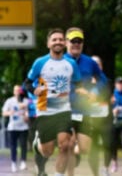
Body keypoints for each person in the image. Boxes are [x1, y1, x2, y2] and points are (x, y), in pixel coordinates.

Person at [24, 28, 83, 176]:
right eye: (54, 40)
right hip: (45, 109)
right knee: (47, 151)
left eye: (60, 39)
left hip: (64, 109)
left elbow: (78, 82)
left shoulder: (71, 64)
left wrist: (81, 90)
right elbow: (27, 83)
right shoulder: (40, 62)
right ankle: (38, 144)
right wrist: (34, 90)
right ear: (48, 44)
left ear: (64, 43)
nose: (58, 42)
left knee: (66, 145)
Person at [64, 27, 109, 176]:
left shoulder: (90, 62)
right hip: (65, 109)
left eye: (80, 41)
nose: (76, 44)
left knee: (85, 148)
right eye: (73, 41)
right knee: (68, 144)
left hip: (84, 111)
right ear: (66, 43)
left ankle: (75, 151)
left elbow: (103, 80)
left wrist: (95, 92)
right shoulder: (58, 61)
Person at [87, 55, 113, 176]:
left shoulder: (107, 81)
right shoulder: (84, 81)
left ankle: (105, 168)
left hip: (105, 118)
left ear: (101, 67)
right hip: (90, 119)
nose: (96, 67)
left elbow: (108, 97)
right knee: (93, 147)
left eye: (98, 64)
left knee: (108, 143)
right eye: (93, 64)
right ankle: (95, 173)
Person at [3, 84, 31, 173]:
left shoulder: (27, 101)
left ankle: (23, 162)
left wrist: (26, 116)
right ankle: (13, 163)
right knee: (13, 146)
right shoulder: (9, 101)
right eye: (16, 90)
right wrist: (9, 112)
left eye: (19, 90)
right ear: (13, 91)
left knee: (23, 145)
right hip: (12, 127)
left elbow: (30, 113)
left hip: (23, 127)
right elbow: (4, 113)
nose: (17, 92)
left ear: (21, 91)